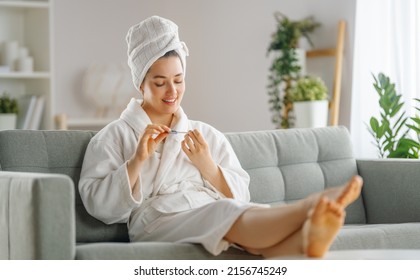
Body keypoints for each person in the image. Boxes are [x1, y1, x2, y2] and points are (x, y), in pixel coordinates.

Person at [78, 15, 363, 258]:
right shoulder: (113, 136)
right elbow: (98, 205)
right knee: (224, 212)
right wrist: (137, 161)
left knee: (243, 222)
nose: (172, 91)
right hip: (156, 221)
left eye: (178, 80)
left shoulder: (204, 135)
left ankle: (306, 243)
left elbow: (242, 192)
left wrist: (209, 168)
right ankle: (308, 208)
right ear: (141, 83)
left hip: (209, 208)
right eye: (160, 82)